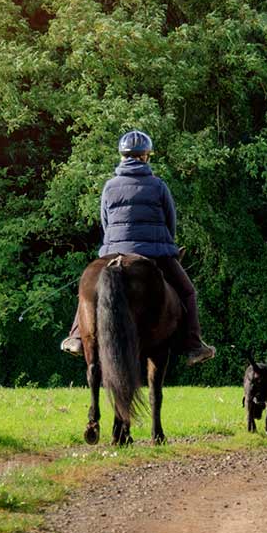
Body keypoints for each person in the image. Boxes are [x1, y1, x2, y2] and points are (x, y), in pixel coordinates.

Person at [58, 130, 217, 366]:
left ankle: (77, 336)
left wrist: (114, 244)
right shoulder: (158, 185)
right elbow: (170, 221)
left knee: (88, 291)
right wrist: (167, 245)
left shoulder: (110, 186)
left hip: (114, 250)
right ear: (145, 157)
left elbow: (105, 222)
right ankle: (194, 345)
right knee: (188, 292)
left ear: (122, 157)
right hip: (155, 251)